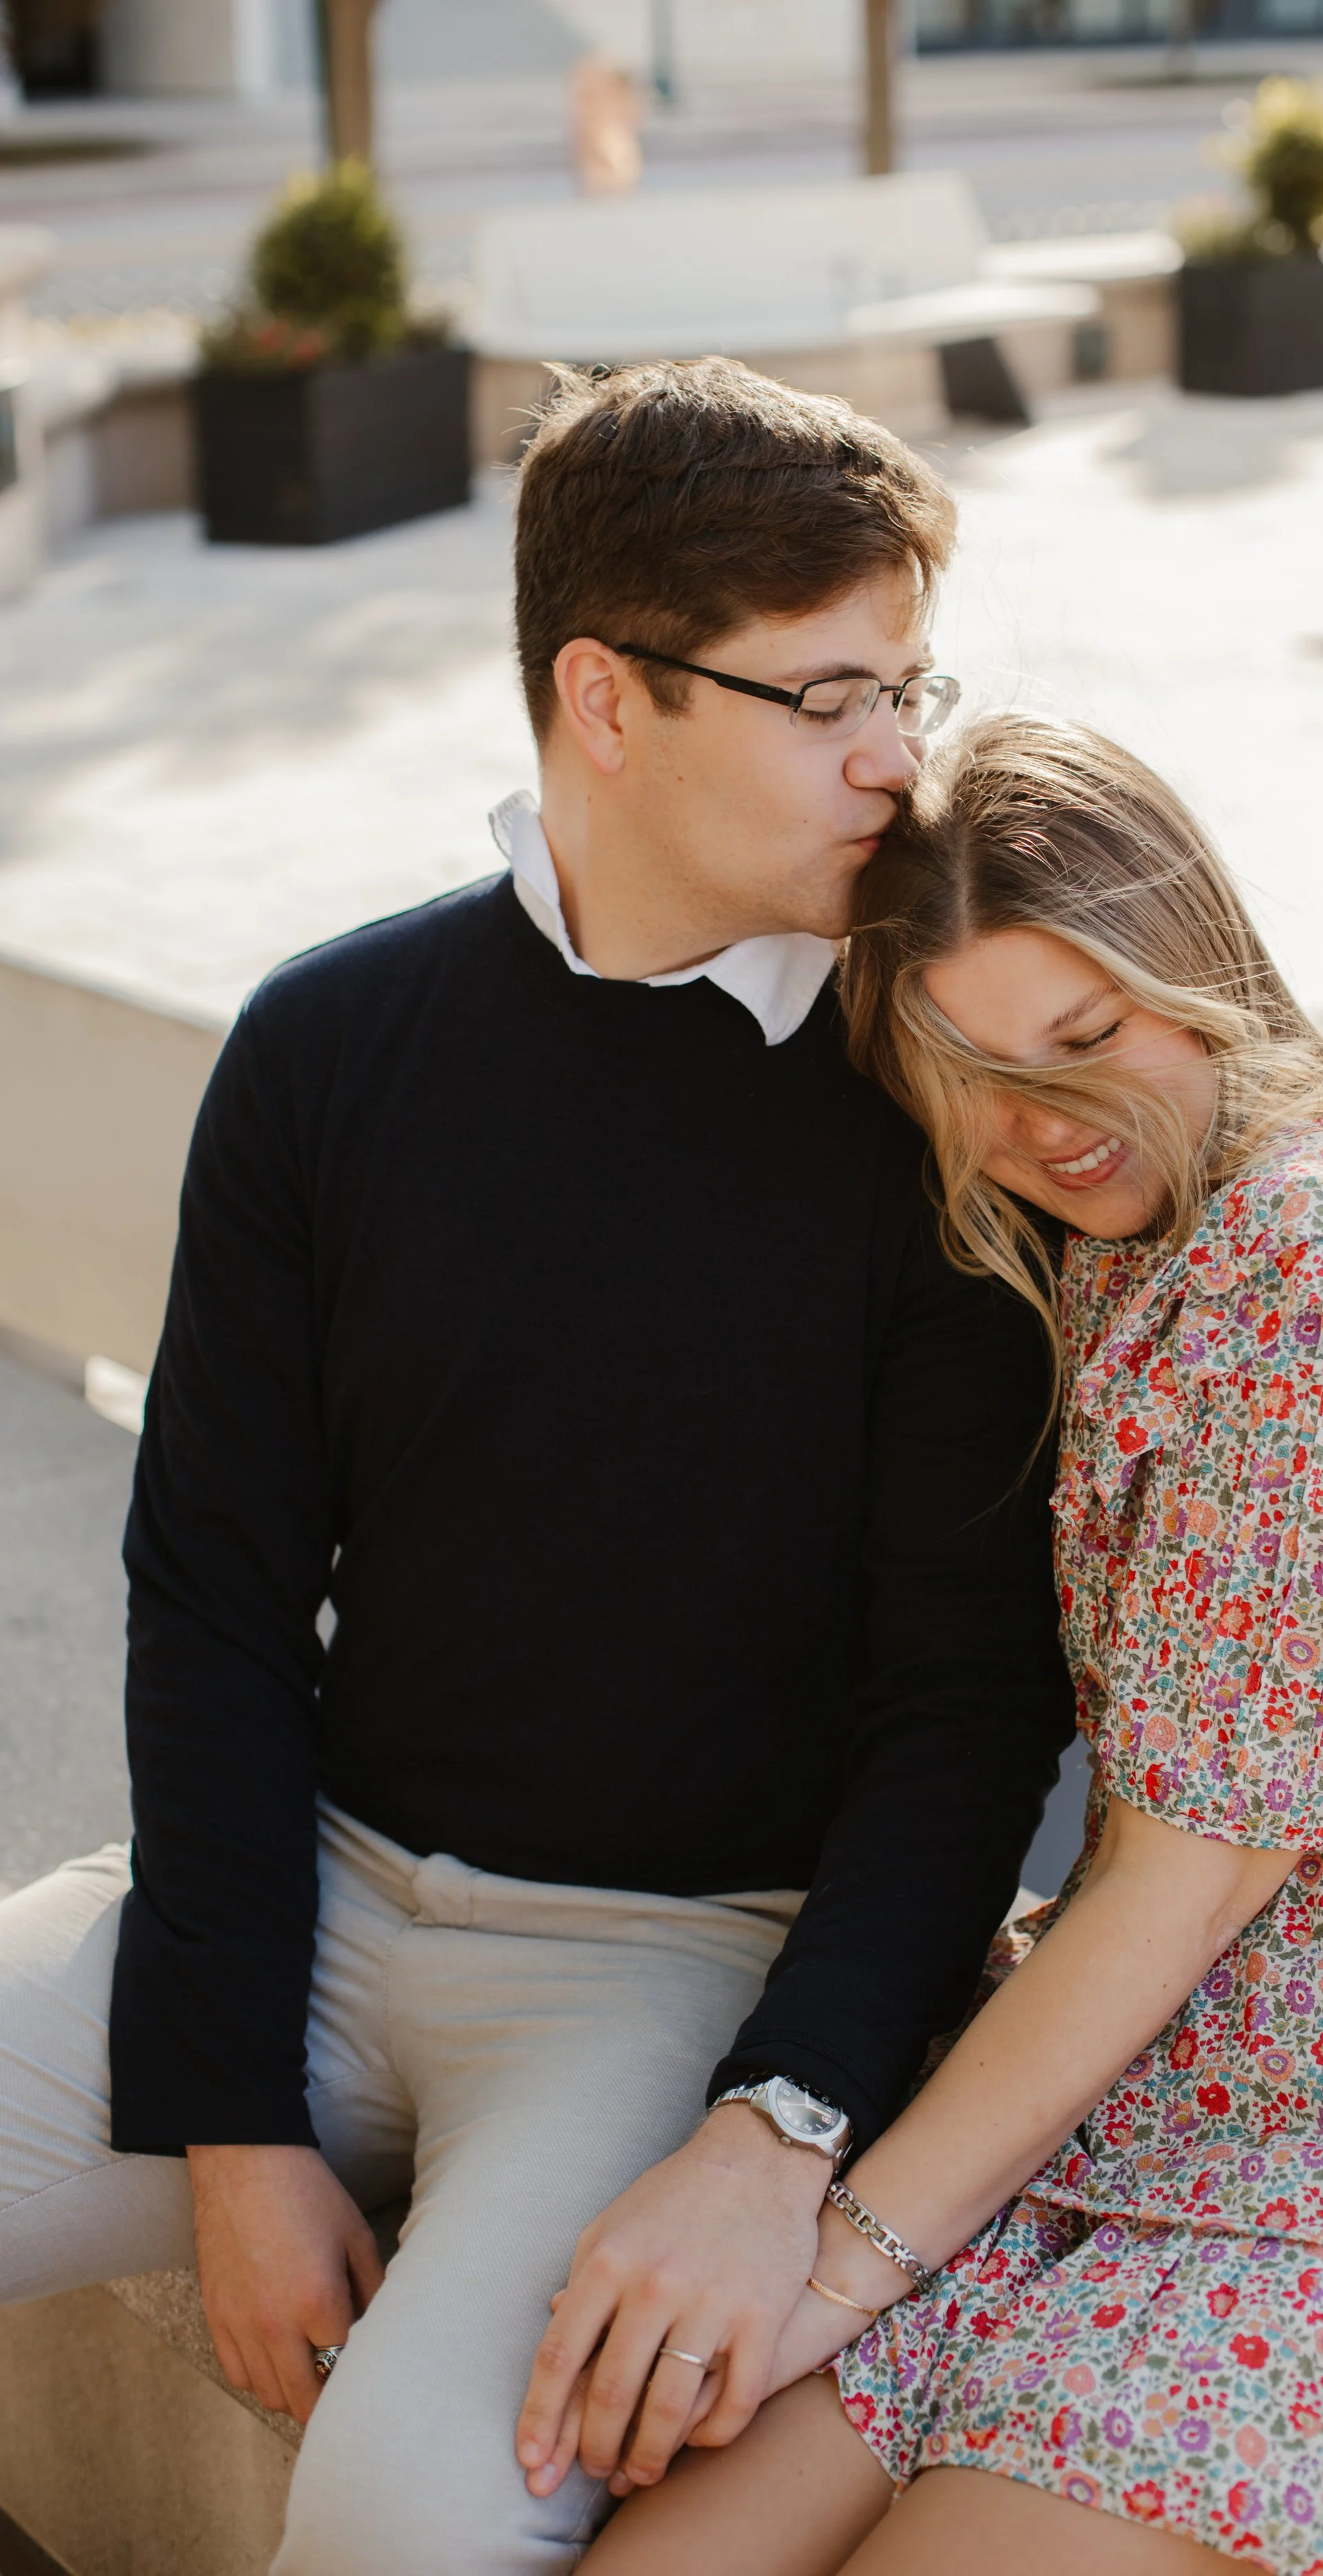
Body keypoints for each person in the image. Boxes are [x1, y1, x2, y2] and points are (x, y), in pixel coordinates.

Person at [0, 365, 1074, 2575]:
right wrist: (231, 2117)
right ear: (607, 696)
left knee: (407, 2526)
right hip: (296, 1895)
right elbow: (213, 1589)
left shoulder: (934, 1110)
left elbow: (968, 1701)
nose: (897, 755)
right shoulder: (332, 1046)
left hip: (668, 1971)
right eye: (827, 696)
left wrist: (783, 2115)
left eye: (909, 686)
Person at [578, 714, 1323, 2576]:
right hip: (1166, 2063)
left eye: (1089, 1037)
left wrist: (835, 2268)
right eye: (970, 1075)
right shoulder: (1120, 1239)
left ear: (1198, 973)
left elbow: (1186, 1883)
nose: (1044, 1122)